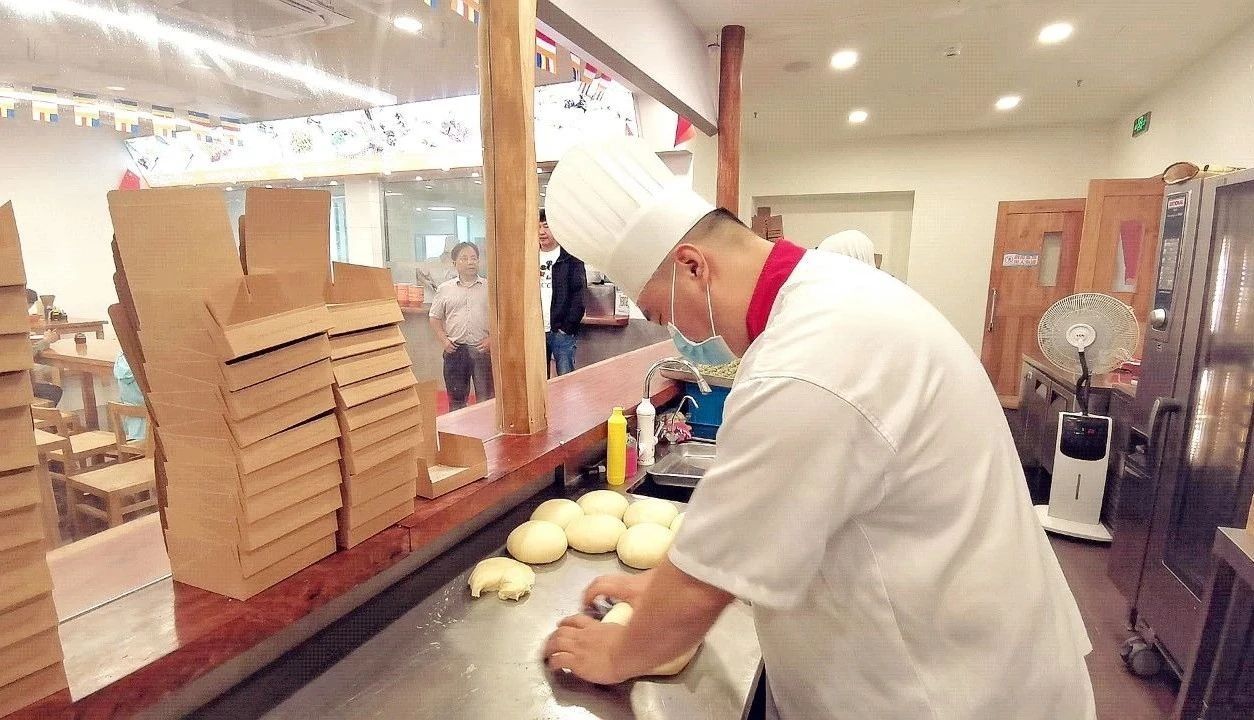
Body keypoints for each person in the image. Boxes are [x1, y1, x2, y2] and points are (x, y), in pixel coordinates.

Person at [541, 139, 1095, 720]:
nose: (674, 332)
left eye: (663, 313)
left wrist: (620, 652)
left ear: (693, 266)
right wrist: (660, 594)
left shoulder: (803, 363)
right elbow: (755, 539)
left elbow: (704, 583)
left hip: (945, 690)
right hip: (967, 656)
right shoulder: (833, 297)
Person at [428, 241, 494, 411]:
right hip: (455, 350)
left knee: (486, 400)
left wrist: (492, 339)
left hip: (482, 349)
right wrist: (444, 341)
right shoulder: (445, 289)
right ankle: (459, 436)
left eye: (474, 258)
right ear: (454, 263)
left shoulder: (490, 287)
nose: (470, 262)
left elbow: (503, 317)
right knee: (457, 402)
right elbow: (434, 318)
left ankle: (485, 436)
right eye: (464, 258)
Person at [539, 209, 586, 376]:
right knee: (537, 381)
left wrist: (567, 328)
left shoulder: (571, 258)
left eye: (546, 226)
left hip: (561, 332)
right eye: (538, 227)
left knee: (566, 382)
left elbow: (579, 297)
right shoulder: (528, 257)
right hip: (535, 332)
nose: (541, 232)